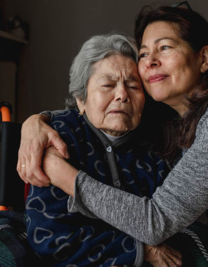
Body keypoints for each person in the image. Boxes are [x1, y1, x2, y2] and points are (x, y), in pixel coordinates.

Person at [18, 3, 208, 266]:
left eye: (164, 47)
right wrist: (35, 121)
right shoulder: (178, 117)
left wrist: (59, 172)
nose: (150, 61)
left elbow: (156, 221)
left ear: (204, 59)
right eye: (143, 53)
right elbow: (94, 107)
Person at [24, 33, 183, 267]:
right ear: (81, 98)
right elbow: (51, 239)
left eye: (133, 86)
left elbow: (168, 225)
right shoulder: (57, 137)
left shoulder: (159, 142)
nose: (122, 95)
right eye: (108, 85)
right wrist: (140, 249)